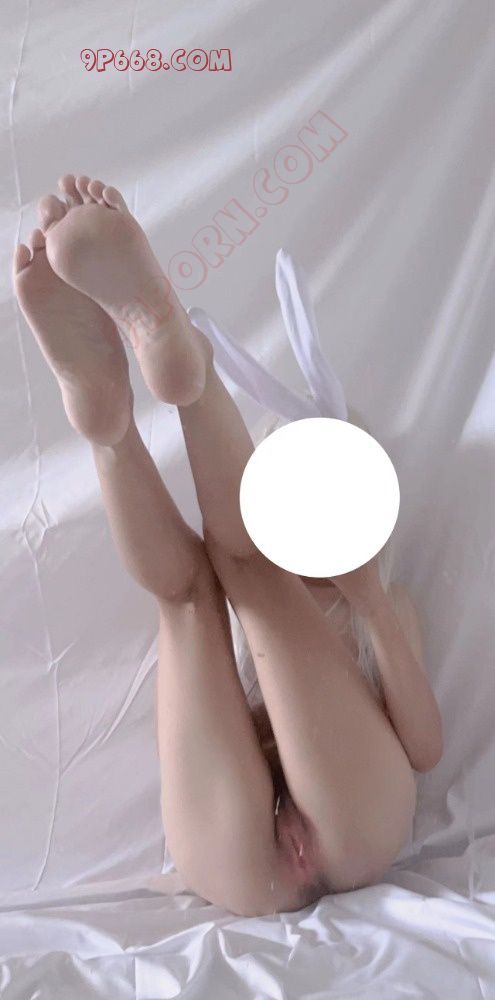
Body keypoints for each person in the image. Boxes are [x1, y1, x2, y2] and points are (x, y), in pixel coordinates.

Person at [13, 174, 443, 917]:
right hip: (239, 862)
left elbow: (425, 748)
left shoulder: (385, 605)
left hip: (357, 823)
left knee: (211, 587)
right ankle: (113, 423)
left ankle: (165, 386)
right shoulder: (259, 582)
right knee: (199, 591)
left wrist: (369, 601)